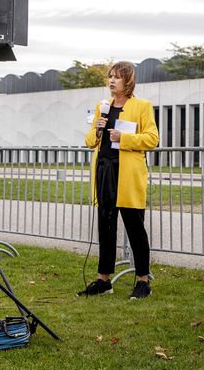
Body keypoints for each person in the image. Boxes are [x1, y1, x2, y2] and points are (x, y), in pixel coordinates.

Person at [78, 61, 159, 299]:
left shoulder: (142, 106)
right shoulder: (102, 106)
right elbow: (89, 141)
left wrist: (123, 137)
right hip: (104, 171)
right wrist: (98, 129)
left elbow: (152, 139)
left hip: (127, 175)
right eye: (110, 76)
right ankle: (104, 281)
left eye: (117, 77)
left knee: (135, 228)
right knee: (105, 227)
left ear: (128, 80)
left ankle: (143, 281)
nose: (112, 81)